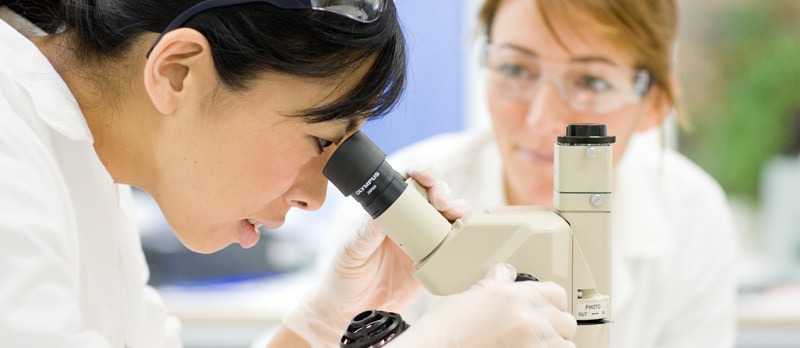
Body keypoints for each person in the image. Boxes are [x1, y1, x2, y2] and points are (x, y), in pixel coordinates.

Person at [0, 0, 580, 347]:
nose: (315, 198)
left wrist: (321, 323)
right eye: (320, 140)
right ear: (178, 73)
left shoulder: (90, 161)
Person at [319, 0, 738, 347]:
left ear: (656, 105)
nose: (541, 119)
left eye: (591, 80)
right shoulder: (392, 206)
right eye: (516, 69)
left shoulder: (691, 216)